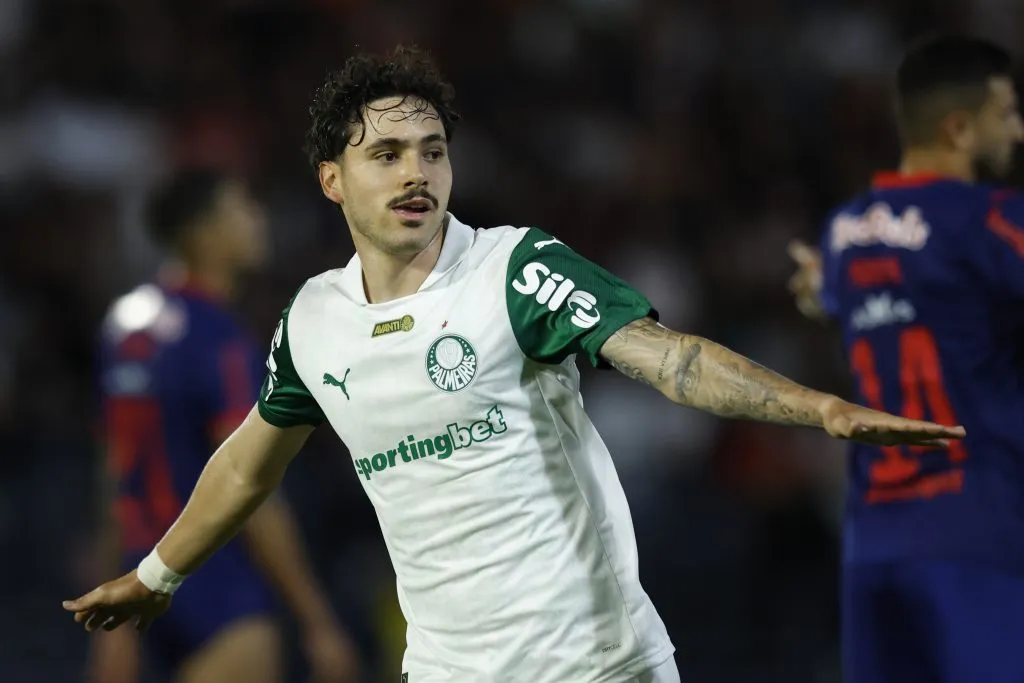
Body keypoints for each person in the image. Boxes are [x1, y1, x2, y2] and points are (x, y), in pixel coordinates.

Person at [66, 45, 962, 683]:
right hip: (447, 667)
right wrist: (155, 577)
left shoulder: (516, 268)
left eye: (433, 151)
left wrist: (822, 410)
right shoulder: (313, 320)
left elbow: (672, 359)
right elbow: (246, 464)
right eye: (386, 154)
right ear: (331, 178)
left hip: (595, 662)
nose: (416, 172)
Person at [788, 35, 1024, 683]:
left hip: (874, 550)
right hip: (979, 536)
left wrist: (815, 293)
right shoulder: (989, 223)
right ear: (959, 128)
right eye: (1006, 113)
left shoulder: (845, 232)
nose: (1018, 129)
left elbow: (830, 291)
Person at [87, 169, 359, 683]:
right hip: (215, 577)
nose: (257, 220)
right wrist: (316, 618)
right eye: (241, 208)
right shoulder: (219, 335)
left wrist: (108, 611)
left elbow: (115, 469)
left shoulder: (123, 323)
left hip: (136, 575)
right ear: (204, 233)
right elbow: (248, 482)